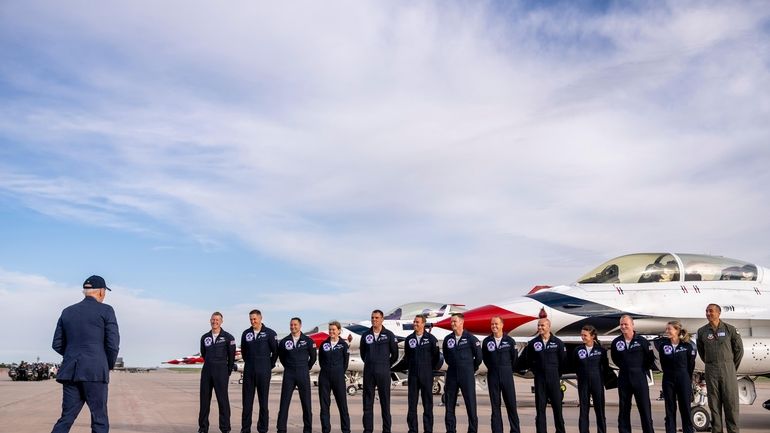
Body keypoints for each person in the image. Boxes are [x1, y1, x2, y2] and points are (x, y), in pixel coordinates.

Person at [51, 275, 120, 433]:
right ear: (101, 292)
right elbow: (113, 344)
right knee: (99, 419)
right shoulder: (106, 310)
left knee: (66, 417)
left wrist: (72, 355)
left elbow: (56, 344)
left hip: (71, 372)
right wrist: (106, 364)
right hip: (95, 372)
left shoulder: (67, 311)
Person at [696, 304, 743, 433]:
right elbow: (701, 351)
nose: (708, 313)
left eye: (711, 311)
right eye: (706, 311)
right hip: (711, 370)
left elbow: (739, 350)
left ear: (718, 313)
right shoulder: (702, 332)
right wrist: (711, 363)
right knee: (714, 406)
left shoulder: (730, 329)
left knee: (731, 405)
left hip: (728, 369)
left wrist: (731, 367)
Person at [610, 315, 655, 433]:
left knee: (644, 408)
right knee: (624, 408)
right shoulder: (616, 342)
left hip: (639, 378)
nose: (623, 327)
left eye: (626, 324)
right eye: (621, 324)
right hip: (624, 378)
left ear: (632, 325)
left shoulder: (642, 341)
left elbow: (650, 359)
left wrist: (640, 369)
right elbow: (615, 358)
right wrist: (626, 367)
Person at [443, 313, 482, 433]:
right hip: (452, 375)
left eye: (455, 321)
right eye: (451, 321)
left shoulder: (470, 338)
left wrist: (470, 368)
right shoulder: (448, 339)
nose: (452, 324)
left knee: (471, 405)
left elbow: (479, 357)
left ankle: (472, 430)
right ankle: (450, 430)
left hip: (467, 375)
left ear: (462, 322)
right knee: (449, 405)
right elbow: (446, 356)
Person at [360, 309, 399, 433]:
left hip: (383, 372)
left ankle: (386, 430)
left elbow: (395, 354)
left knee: (385, 403)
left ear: (382, 319)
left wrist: (386, 365)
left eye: (377, 318)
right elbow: (362, 354)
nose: (374, 320)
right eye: (372, 317)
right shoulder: (366, 335)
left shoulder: (389, 335)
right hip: (369, 372)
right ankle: (368, 430)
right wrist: (370, 362)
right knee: (367, 403)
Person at [240, 309, 278, 433]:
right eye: (251, 319)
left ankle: (263, 429)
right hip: (249, 371)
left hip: (264, 371)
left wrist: (268, 365)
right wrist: (251, 363)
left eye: (255, 319)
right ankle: (245, 429)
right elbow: (244, 352)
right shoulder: (246, 334)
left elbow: (275, 352)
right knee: (247, 403)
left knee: (263, 403)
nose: (253, 321)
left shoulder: (270, 333)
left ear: (261, 318)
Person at [526, 317, 566, 433]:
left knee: (557, 408)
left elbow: (563, 361)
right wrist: (536, 371)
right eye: (538, 325)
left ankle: (560, 430)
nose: (540, 328)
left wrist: (556, 374)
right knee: (540, 409)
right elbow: (529, 360)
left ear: (549, 326)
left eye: (542, 325)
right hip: (540, 379)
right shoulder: (533, 343)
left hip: (554, 378)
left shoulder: (558, 343)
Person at [276, 317, 317, 433]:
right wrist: (289, 366)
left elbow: (313, 358)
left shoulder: (308, 341)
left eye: (295, 325)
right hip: (289, 373)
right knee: (284, 402)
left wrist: (306, 367)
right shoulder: (284, 341)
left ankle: (307, 429)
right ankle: (281, 429)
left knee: (306, 403)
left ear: (300, 326)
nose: (293, 327)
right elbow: (282, 357)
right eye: (291, 325)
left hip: (303, 372)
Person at [198, 312, 237, 433]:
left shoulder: (228, 337)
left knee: (223, 401)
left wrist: (228, 371)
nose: (215, 322)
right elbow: (204, 353)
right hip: (207, 371)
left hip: (221, 372)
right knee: (204, 401)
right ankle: (203, 428)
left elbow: (231, 356)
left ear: (221, 321)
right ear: (210, 320)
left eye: (217, 320)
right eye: (213, 319)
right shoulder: (205, 337)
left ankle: (225, 428)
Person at [404, 314, 442, 433]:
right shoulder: (409, 339)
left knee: (427, 405)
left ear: (423, 324)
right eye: (414, 322)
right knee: (412, 405)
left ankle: (428, 430)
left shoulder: (431, 339)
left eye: (417, 322)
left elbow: (436, 357)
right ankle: (412, 429)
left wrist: (429, 369)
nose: (415, 324)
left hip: (426, 375)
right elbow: (407, 356)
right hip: (413, 375)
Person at [656, 321, 696, 433]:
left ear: (677, 330)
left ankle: (688, 430)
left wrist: (685, 378)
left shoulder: (687, 346)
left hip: (683, 379)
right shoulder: (663, 346)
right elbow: (663, 363)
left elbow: (691, 365)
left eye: (669, 329)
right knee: (669, 409)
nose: (667, 331)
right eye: (667, 329)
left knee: (685, 408)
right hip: (668, 379)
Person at [482, 316, 520, 433]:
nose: (494, 326)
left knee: (511, 405)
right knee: (495, 406)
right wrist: (494, 368)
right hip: (493, 375)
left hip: (507, 374)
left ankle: (515, 430)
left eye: (496, 324)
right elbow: (486, 358)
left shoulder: (509, 341)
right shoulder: (487, 341)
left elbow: (514, 359)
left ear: (502, 325)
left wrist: (506, 368)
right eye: (492, 324)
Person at [573, 324, 608, 433]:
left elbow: (605, 366)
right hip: (583, 383)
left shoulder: (601, 350)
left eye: (585, 335)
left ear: (592, 336)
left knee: (600, 410)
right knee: (583, 410)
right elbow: (574, 365)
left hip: (597, 382)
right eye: (582, 335)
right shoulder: (578, 350)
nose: (583, 337)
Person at [318, 320, 351, 433]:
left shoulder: (343, 345)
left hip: (338, 378)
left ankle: (346, 430)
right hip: (324, 377)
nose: (331, 331)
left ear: (339, 331)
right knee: (324, 406)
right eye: (330, 329)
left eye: (334, 329)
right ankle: (326, 429)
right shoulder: (324, 344)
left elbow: (345, 363)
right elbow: (321, 360)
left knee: (342, 406)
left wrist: (338, 371)